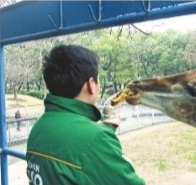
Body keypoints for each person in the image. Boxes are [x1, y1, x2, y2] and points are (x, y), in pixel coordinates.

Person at [26, 45, 145, 185]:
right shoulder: (96, 140)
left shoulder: (39, 127)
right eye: (98, 80)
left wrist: (108, 124)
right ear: (91, 84)